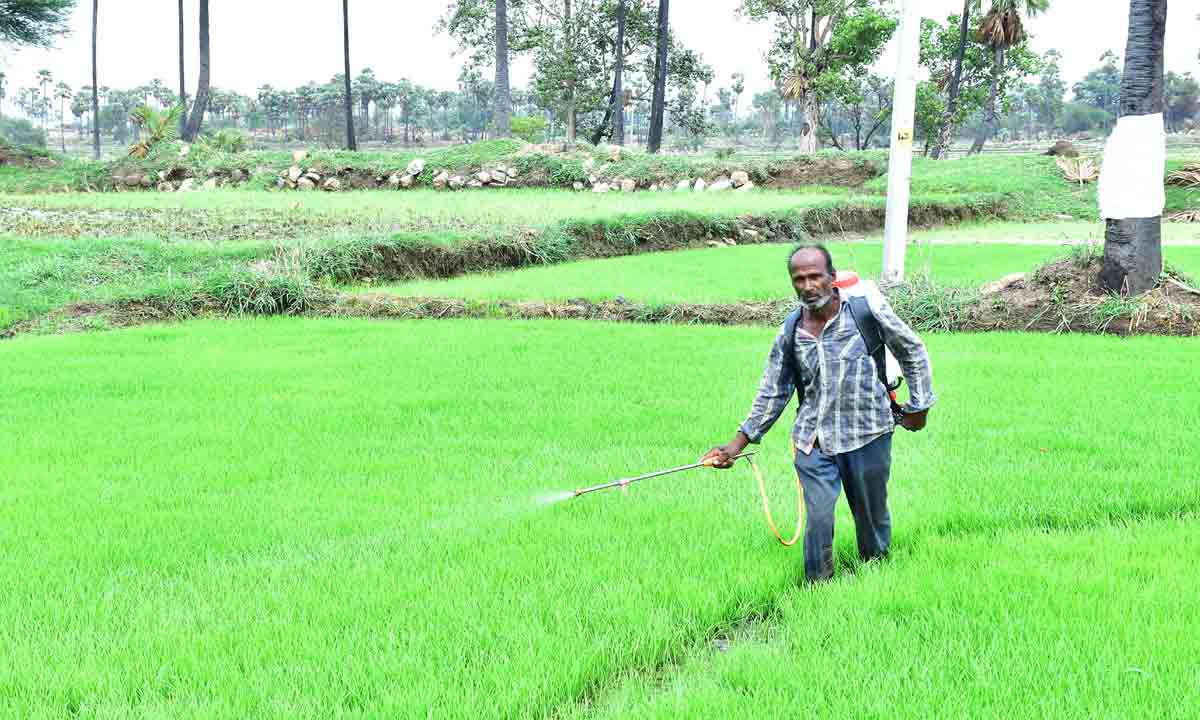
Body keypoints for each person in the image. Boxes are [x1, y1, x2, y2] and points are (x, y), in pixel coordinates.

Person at [703, 245, 936, 582]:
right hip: (814, 441)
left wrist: (920, 406)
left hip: (868, 432)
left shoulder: (864, 312)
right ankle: (818, 587)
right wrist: (736, 445)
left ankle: (877, 579)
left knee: (871, 518)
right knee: (819, 517)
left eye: (815, 276)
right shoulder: (791, 330)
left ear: (831, 277)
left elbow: (912, 350)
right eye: (799, 279)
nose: (808, 285)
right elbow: (774, 390)